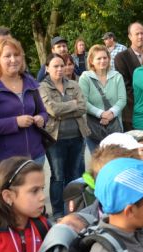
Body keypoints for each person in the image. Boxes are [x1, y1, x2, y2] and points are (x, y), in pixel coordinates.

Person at [0, 37, 48, 176]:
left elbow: (43, 112)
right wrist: (15, 122)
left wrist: (41, 118)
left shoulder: (29, 81)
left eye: (17, 55)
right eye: (7, 56)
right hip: (5, 163)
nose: (13, 59)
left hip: (35, 157)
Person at [39, 53, 90, 220]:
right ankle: (58, 211)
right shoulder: (43, 87)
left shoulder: (74, 84)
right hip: (55, 139)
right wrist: (71, 105)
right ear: (47, 68)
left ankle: (74, 208)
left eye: (62, 65)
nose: (60, 69)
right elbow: (52, 110)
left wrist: (63, 109)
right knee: (58, 176)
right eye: (55, 66)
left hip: (77, 136)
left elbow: (82, 107)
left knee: (74, 175)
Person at [79, 44, 126, 154]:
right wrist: (101, 114)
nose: (102, 61)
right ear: (91, 61)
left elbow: (122, 99)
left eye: (105, 58)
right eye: (98, 58)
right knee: (98, 164)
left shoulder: (117, 76)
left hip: (114, 125)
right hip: (93, 127)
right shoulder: (85, 77)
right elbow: (83, 101)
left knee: (116, 160)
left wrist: (111, 114)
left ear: (109, 59)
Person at [115, 22, 143, 130]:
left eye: (142, 33)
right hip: (132, 113)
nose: (140, 36)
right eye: (137, 34)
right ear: (130, 36)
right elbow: (126, 87)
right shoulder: (121, 58)